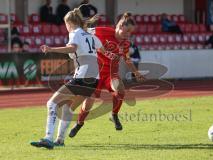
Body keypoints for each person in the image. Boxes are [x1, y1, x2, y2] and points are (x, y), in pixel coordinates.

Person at [30, 8, 104, 149]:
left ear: (69, 23)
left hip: (83, 76)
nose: (66, 27)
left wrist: (51, 49)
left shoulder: (75, 33)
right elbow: (102, 50)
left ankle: (47, 138)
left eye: (66, 24)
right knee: (67, 108)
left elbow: (72, 48)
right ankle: (60, 140)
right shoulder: (90, 35)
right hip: (94, 79)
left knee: (51, 104)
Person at [66, 12, 145, 139]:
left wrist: (136, 72)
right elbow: (83, 30)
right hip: (95, 73)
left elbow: (127, 59)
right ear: (118, 27)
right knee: (88, 101)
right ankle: (79, 123)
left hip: (111, 74)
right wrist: (89, 21)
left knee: (120, 90)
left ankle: (114, 115)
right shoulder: (102, 31)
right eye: (126, 32)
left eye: (130, 33)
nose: (127, 35)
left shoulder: (126, 43)